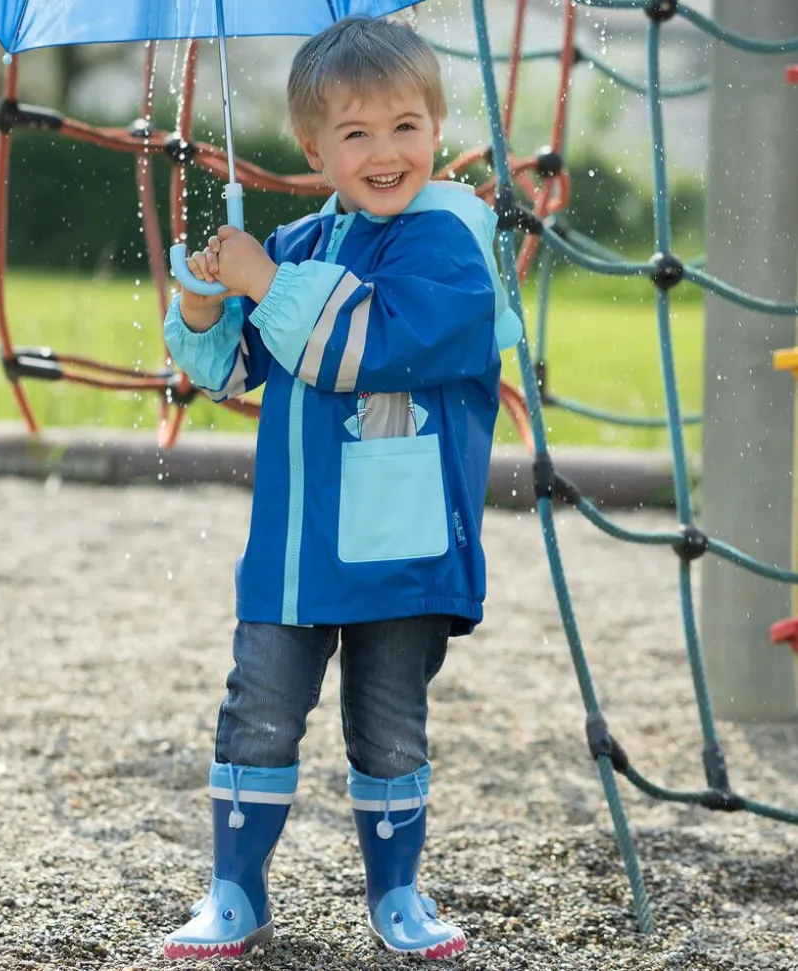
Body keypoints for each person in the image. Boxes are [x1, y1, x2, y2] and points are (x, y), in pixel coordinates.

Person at [160, 14, 522, 963]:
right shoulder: (298, 237)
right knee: (258, 712)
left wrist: (267, 280)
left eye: (405, 124)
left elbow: (361, 346)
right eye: (355, 133)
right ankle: (234, 891)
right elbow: (233, 366)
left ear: (436, 128)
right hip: (292, 544)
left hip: (401, 549)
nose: (385, 150)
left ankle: (396, 891)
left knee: (390, 725)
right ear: (314, 148)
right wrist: (205, 302)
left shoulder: (451, 240)